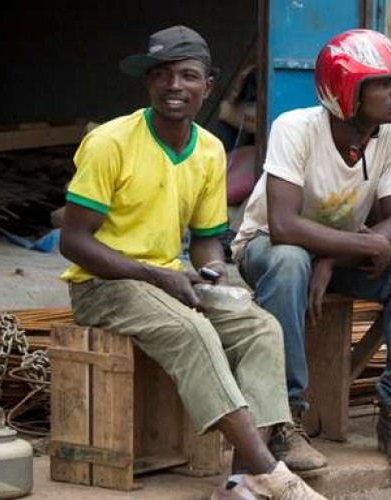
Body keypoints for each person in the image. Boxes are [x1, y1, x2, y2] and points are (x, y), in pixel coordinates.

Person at [58, 26, 323, 499]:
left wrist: (214, 273)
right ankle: (273, 476)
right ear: (148, 83)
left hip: (165, 282)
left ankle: (240, 484)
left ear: (207, 84)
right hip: (101, 285)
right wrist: (152, 273)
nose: (173, 85)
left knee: (261, 329)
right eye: (160, 74)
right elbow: (74, 243)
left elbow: (205, 242)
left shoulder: (208, 149)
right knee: (193, 331)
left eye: (187, 75)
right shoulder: (111, 143)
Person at [234, 29, 391, 473]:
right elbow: (283, 225)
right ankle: (285, 419)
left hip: (333, 253)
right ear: (347, 90)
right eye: (382, 84)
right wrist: (361, 244)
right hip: (266, 248)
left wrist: (332, 257)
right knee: (289, 261)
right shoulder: (295, 128)